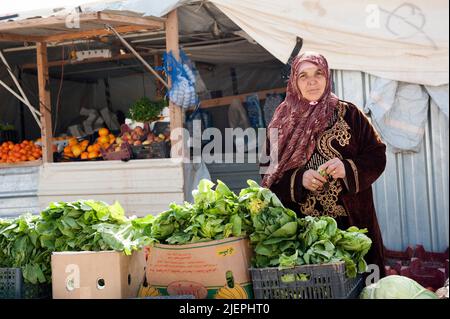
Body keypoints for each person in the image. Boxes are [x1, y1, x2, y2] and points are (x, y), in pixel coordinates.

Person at [260, 51, 387, 277]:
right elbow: (268, 175)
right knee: (317, 286)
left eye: (318, 74)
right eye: (303, 76)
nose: (312, 81)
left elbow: (377, 155)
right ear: (294, 82)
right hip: (305, 233)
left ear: (327, 77)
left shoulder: (350, 114)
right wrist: (300, 179)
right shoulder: (280, 123)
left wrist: (347, 168)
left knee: (363, 283)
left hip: (354, 225)